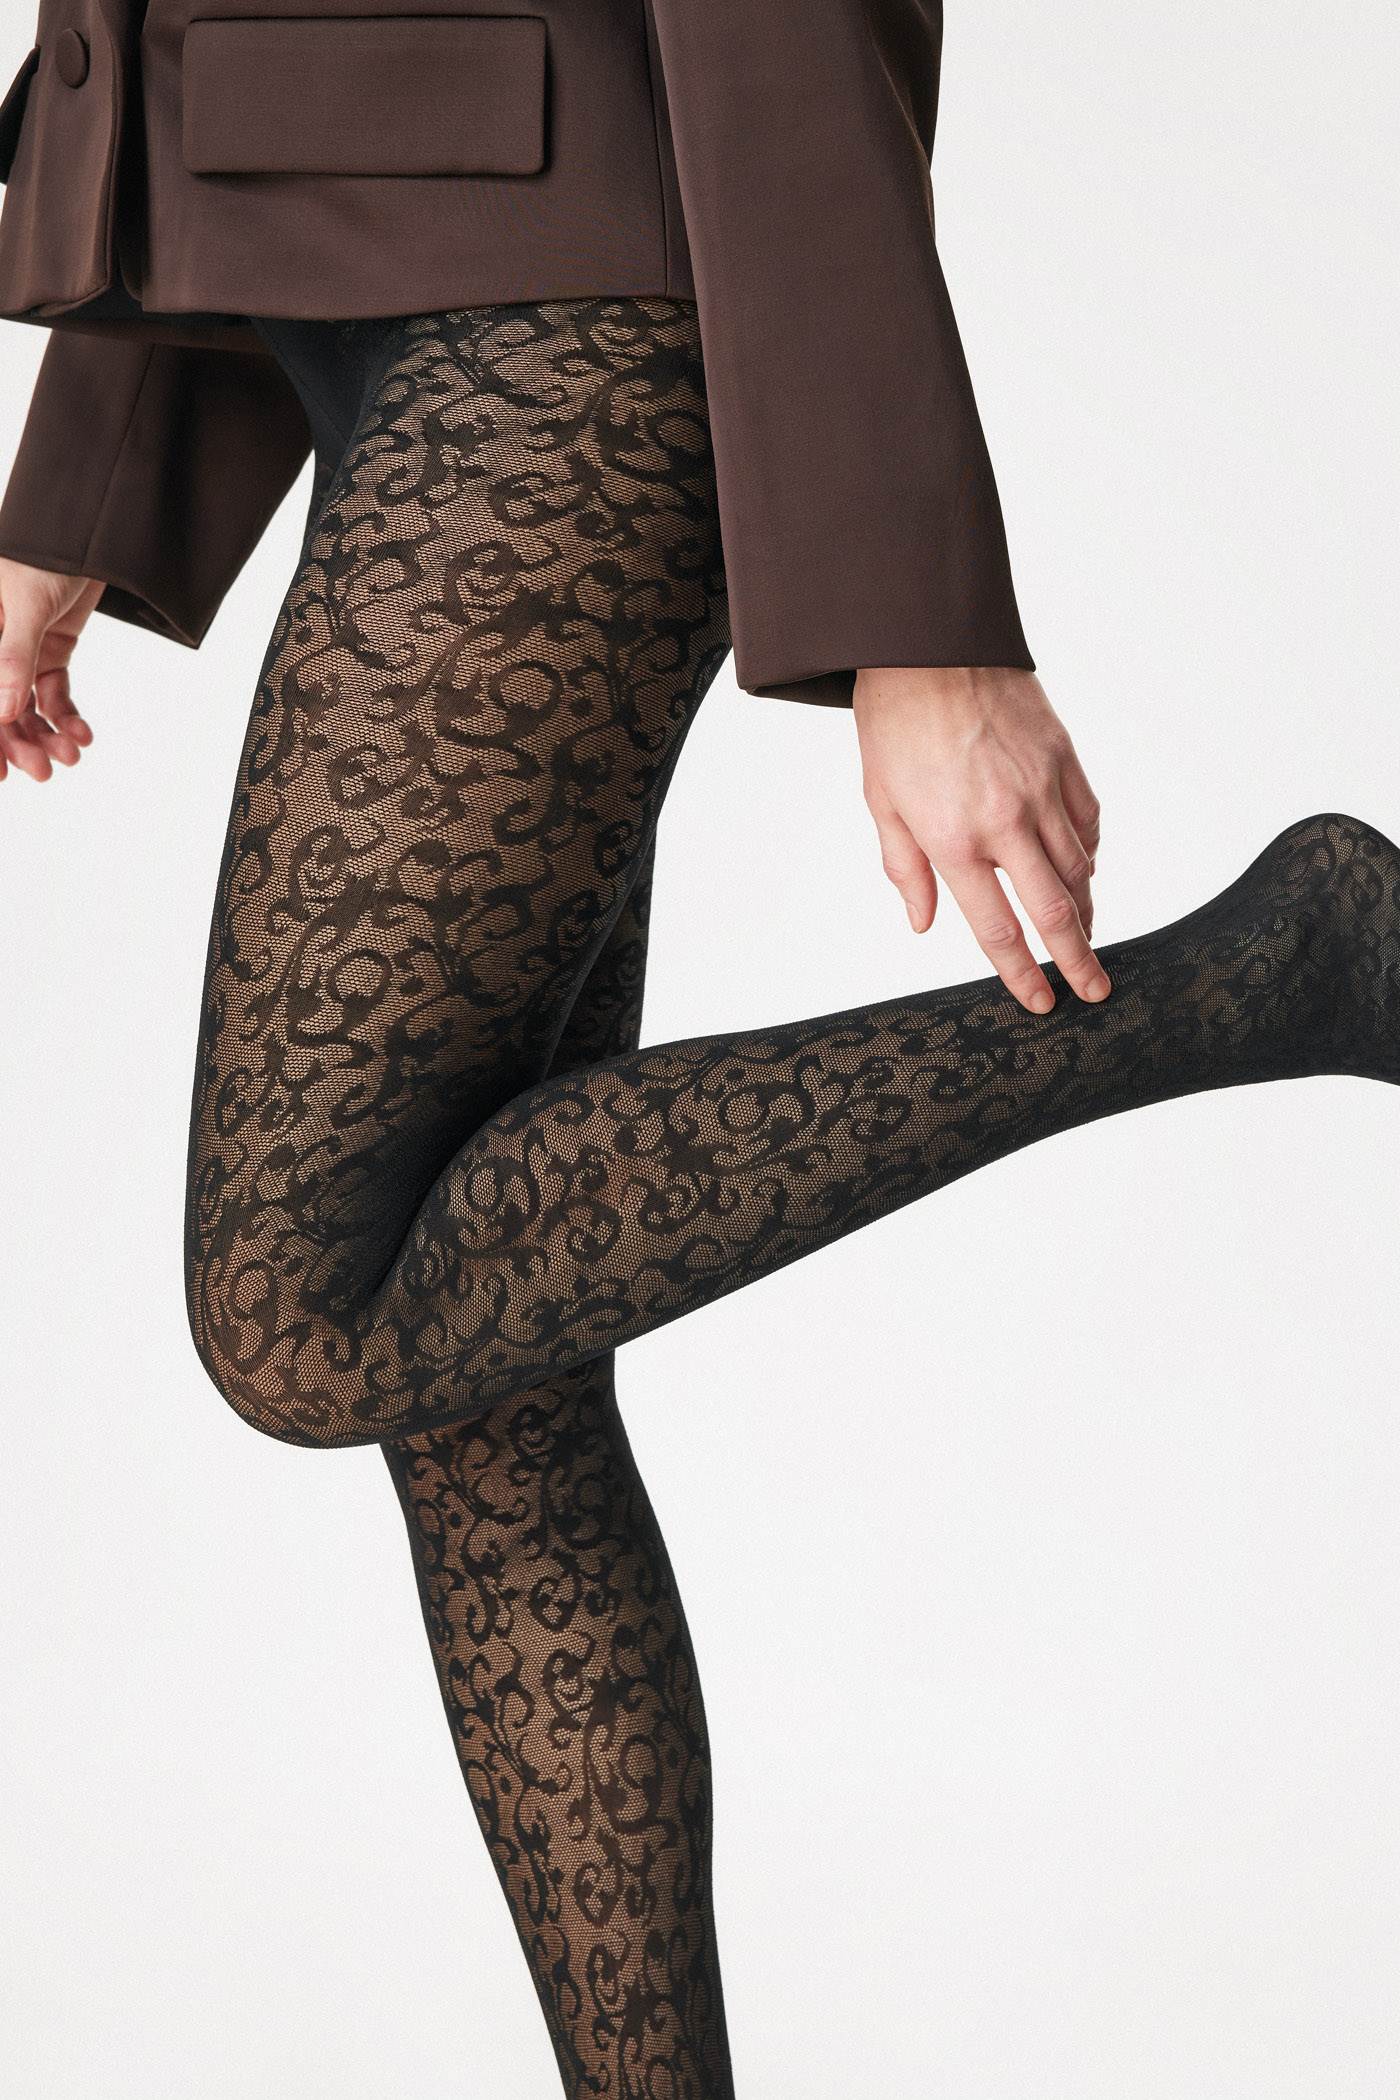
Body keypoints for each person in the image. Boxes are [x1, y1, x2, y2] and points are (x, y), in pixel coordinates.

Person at [0, 6, 1394, 2093]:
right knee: (494, 1405)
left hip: (564, 299)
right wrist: (80, 479)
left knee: (308, 1313)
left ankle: (1283, 965)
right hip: (333, 296)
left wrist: (917, 606)